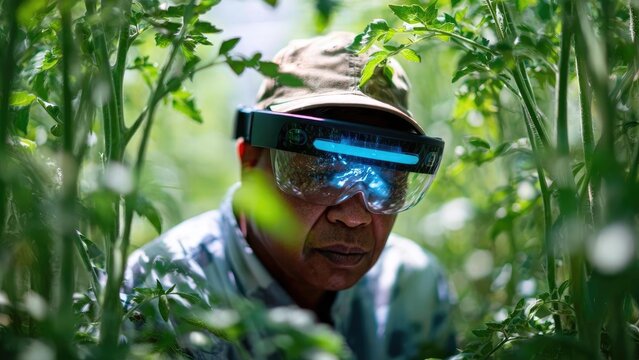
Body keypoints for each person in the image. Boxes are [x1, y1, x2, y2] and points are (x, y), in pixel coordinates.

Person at [124, 31, 455, 359]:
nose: (355, 215)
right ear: (250, 161)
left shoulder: (412, 290)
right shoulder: (160, 300)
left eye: (384, 181)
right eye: (321, 173)